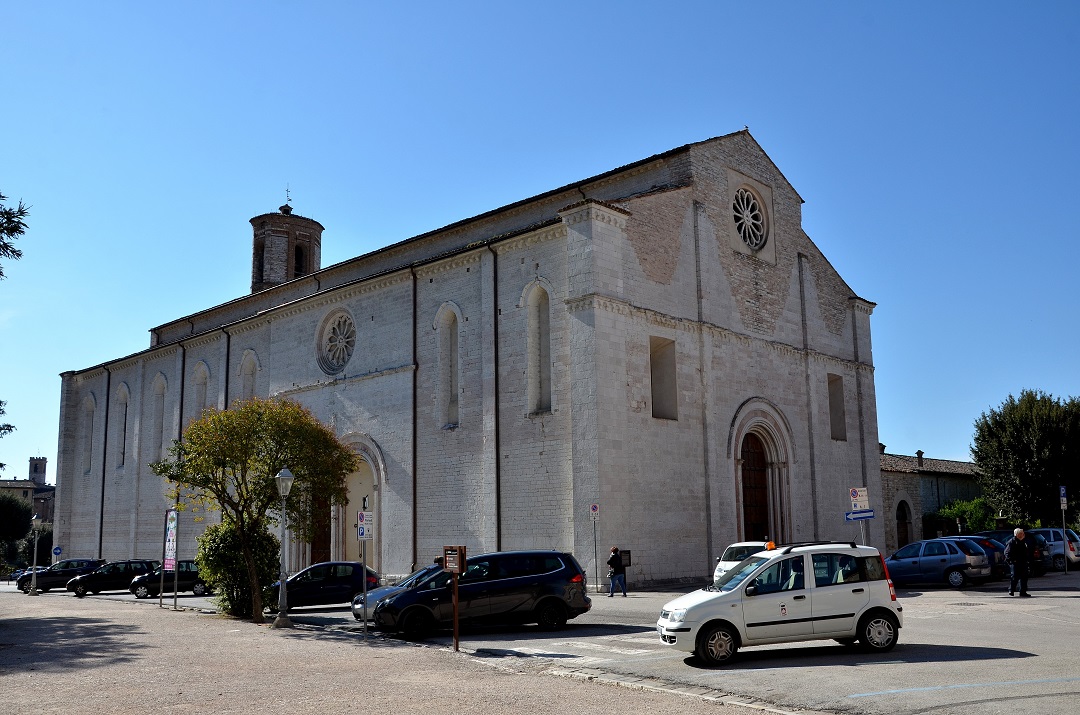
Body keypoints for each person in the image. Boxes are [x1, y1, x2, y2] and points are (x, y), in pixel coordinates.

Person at [1004, 527, 1032, 597]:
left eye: (1023, 533)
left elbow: (1026, 552)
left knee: (1024, 577)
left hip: (1023, 562)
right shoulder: (1012, 542)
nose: (1023, 535)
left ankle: (1023, 592)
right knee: (1014, 577)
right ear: (1017, 535)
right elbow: (1007, 553)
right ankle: (1011, 590)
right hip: (1015, 562)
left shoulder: (1023, 542)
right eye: (1021, 533)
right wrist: (1012, 561)